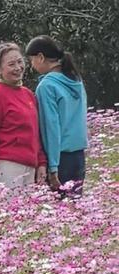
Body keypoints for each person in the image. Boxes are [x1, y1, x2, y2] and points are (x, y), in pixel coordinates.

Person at [0, 42, 47, 189]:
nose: (17, 68)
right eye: (11, 64)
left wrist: (41, 162)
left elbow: (35, 133)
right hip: (7, 166)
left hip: (30, 165)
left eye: (19, 62)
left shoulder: (28, 94)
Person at [26, 35, 88, 196]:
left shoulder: (47, 86)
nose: (32, 66)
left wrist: (52, 168)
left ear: (40, 57)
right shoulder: (75, 79)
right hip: (78, 155)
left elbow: (51, 128)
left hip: (60, 158)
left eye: (32, 60)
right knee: (75, 208)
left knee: (59, 212)